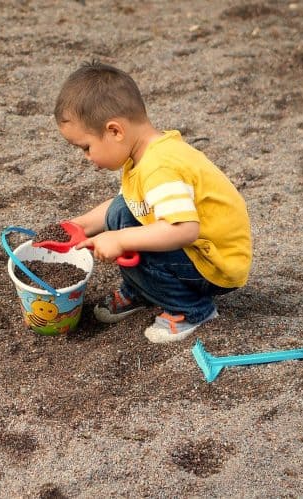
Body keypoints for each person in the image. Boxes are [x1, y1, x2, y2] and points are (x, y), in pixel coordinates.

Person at [53, 61, 251, 343]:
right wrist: (80, 225)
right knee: (123, 213)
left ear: (115, 131)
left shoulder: (160, 167)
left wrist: (121, 239)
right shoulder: (145, 154)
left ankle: (192, 309)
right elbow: (126, 204)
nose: (86, 157)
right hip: (197, 251)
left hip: (214, 264)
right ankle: (143, 290)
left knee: (130, 236)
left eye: (86, 147)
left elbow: (184, 229)